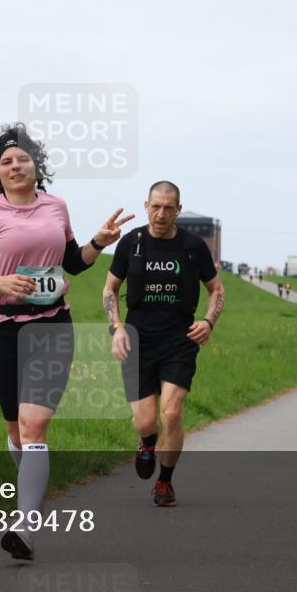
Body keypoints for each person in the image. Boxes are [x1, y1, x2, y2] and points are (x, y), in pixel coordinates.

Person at [0, 123, 133, 559]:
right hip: (2, 327)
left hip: (52, 326)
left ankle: (26, 526)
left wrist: (97, 243)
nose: (15, 166)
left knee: (35, 425)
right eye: (6, 162)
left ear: (37, 166)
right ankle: (30, 500)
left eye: (23, 159)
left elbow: (73, 261)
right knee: (16, 431)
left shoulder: (56, 206)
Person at [103, 181, 225, 507]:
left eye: (168, 208)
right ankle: (147, 443)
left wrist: (208, 321)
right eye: (155, 206)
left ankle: (165, 482)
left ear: (178, 210)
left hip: (179, 340)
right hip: (138, 339)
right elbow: (110, 289)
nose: (161, 213)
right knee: (146, 422)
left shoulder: (193, 246)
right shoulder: (132, 243)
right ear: (146, 206)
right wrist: (116, 327)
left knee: (171, 413)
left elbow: (216, 289)